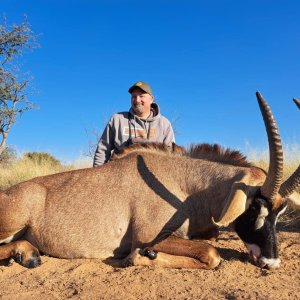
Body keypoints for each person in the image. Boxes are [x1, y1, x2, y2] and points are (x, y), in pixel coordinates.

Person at [93, 81, 175, 167]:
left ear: (151, 99)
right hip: (119, 175)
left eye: (141, 96)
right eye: (134, 96)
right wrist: (96, 176)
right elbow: (102, 150)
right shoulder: (117, 119)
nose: (137, 100)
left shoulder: (164, 124)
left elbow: (170, 157)